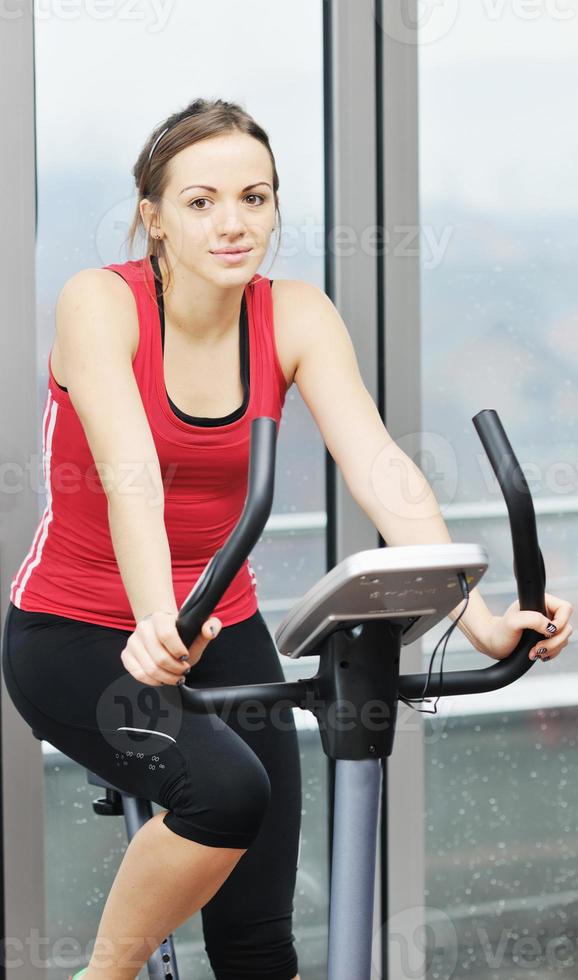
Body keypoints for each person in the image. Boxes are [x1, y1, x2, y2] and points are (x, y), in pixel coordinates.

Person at [1, 97, 573, 980]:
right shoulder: (100, 304)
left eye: (255, 198)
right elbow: (130, 476)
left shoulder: (295, 316)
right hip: (80, 632)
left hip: (223, 626)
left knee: (260, 943)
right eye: (200, 201)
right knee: (225, 792)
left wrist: (486, 620)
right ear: (151, 218)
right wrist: (159, 622)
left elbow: (383, 469)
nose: (234, 223)